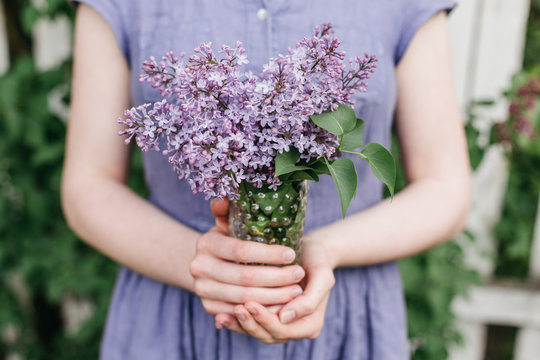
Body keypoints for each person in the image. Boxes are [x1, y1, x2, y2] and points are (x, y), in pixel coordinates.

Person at [61, 0, 470, 359]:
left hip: (343, 310)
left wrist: (326, 249)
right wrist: (199, 262)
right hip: (175, 310)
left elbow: (446, 189)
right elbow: (88, 186)